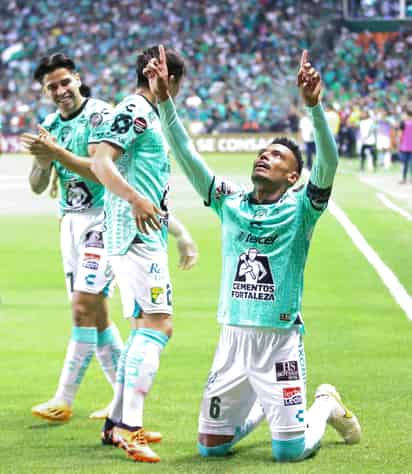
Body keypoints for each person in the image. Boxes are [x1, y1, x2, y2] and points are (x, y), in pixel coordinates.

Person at [143, 46, 361, 463]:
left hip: (278, 342)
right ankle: (271, 406)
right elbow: (188, 157)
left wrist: (314, 108)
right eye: (263, 152)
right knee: (211, 449)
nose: (265, 156)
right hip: (232, 339)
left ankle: (324, 405)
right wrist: (165, 101)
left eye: (277, 156)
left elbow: (328, 164)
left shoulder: (302, 209)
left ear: (293, 176)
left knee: (289, 452)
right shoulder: (231, 201)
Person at [88, 45, 186, 464]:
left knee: (142, 326)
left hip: (139, 234)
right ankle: (131, 428)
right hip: (136, 236)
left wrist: (178, 231)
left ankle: (116, 422)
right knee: (159, 327)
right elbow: (100, 162)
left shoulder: (148, 112)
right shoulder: (136, 108)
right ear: (168, 78)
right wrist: (133, 199)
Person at [22, 53, 122, 423]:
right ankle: (124, 399)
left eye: (65, 82)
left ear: (78, 79)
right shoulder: (50, 124)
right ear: (45, 92)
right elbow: (36, 186)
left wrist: (57, 152)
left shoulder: (100, 115)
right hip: (70, 224)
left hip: (103, 219)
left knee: (82, 308)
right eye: (53, 86)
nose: (61, 90)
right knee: (95, 316)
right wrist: (44, 160)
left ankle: (63, 399)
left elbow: (102, 172)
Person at [398, 105, 412, 184]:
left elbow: (400, 134)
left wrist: (399, 143)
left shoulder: (403, 123)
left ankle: (404, 179)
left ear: (407, 115)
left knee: (405, 163)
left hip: (405, 146)